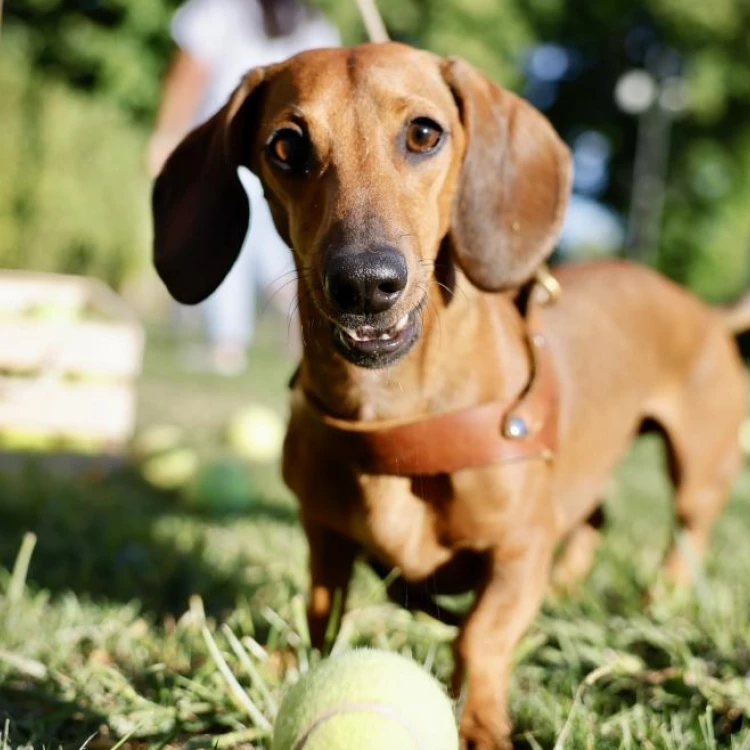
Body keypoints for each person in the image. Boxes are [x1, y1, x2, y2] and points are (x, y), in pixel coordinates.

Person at [148, 0, 340, 375]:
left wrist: (166, 133)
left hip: (228, 154)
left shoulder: (216, 12)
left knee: (229, 243)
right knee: (277, 256)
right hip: (290, 162)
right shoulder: (314, 26)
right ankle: (302, 338)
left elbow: (187, 77)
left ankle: (228, 345)